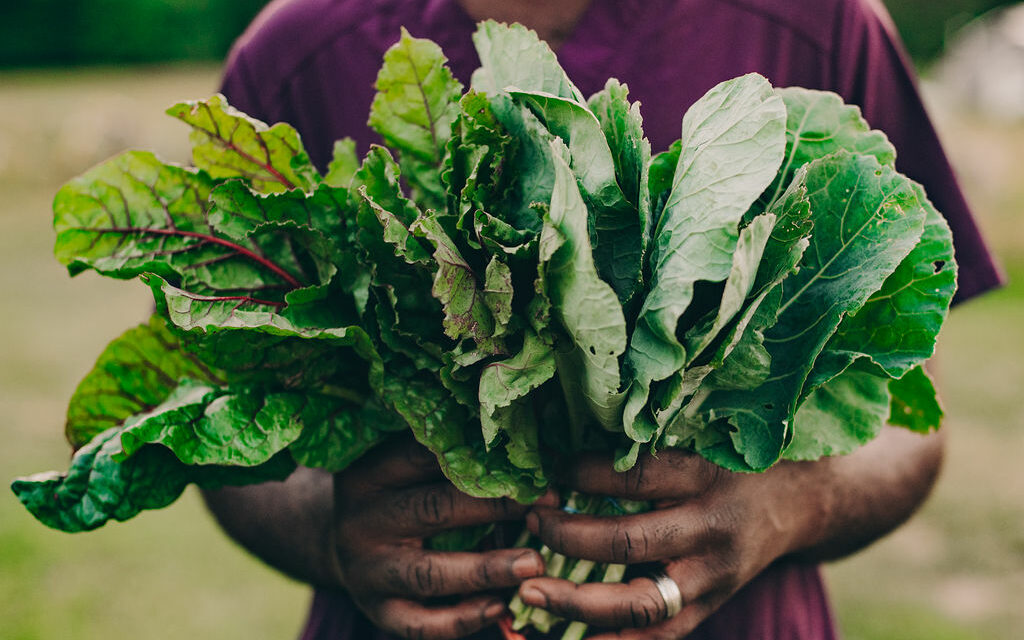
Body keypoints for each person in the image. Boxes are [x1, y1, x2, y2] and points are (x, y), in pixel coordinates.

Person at [203, 0, 1004, 638]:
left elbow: (908, 416)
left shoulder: (821, 20)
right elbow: (218, 415)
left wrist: (788, 505)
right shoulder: (294, 51)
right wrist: (332, 536)